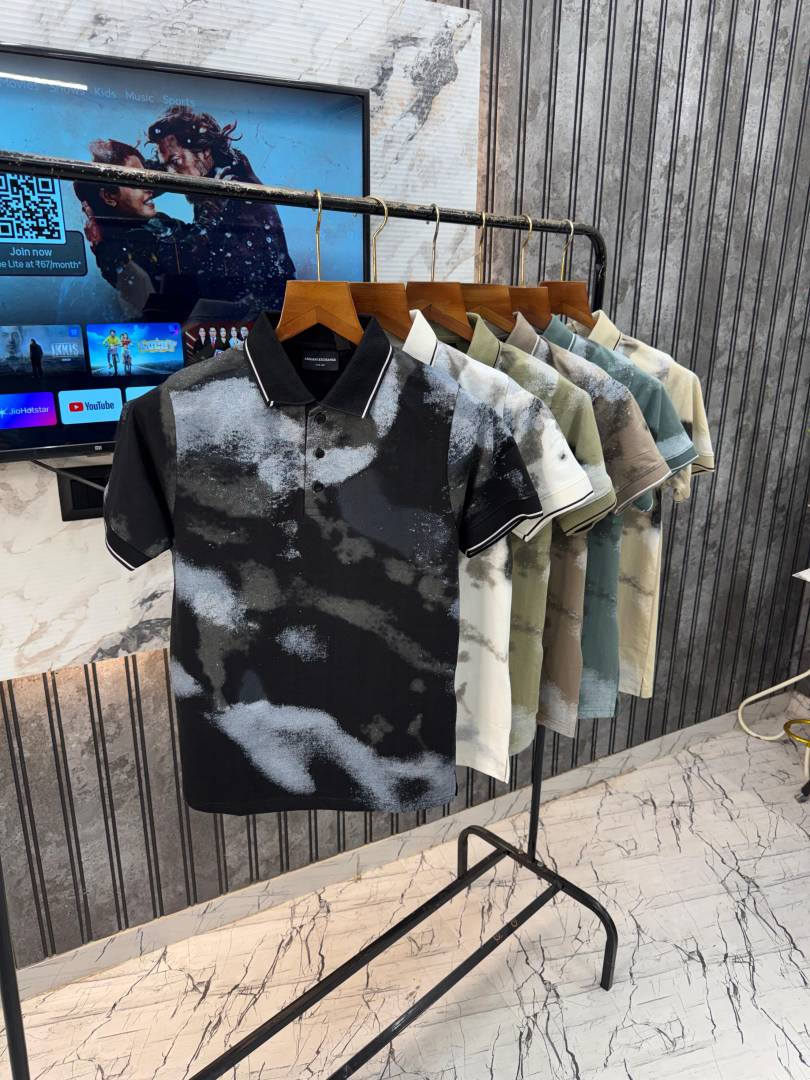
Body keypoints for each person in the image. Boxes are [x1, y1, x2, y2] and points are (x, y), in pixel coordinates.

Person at [147, 106, 295, 310]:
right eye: (166, 166)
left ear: (204, 151)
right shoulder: (210, 173)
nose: (171, 173)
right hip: (249, 304)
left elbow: (242, 280)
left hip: (260, 310)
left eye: (175, 162)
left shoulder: (232, 190)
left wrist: (208, 217)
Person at [74, 140, 211, 310]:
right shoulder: (118, 249)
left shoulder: (159, 222)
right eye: (136, 180)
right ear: (109, 196)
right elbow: (150, 303)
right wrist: (102, 248)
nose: (149, 188)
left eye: (146, 177)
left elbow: (203, 241)